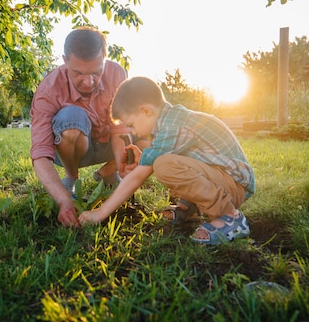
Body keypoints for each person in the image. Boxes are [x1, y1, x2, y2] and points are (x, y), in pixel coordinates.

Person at [78, 76, 255, 245]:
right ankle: (190, 209)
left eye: (131, 125)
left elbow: (140, 174)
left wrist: (101, 212)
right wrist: (143, 158)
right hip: (224, 179)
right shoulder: (171, 120)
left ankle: (229, 216)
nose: (133, 132)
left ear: (146, 110)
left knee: (164, 165)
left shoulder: (172, 126)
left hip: (234, 185)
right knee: (165, 161)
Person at [30, 27, 130, 228]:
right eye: (78, 73)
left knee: (149, 130)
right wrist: (63, 200)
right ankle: (71, 179)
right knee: (71, 117)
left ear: (104, 57)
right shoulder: (49, 89)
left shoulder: (117, 73)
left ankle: (109, 173)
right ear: (65, 60)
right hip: (71, 147)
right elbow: (40, 154)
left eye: (96, 72)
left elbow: (121, 129)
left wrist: (124, 166)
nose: (89, 81)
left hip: (107, 143)